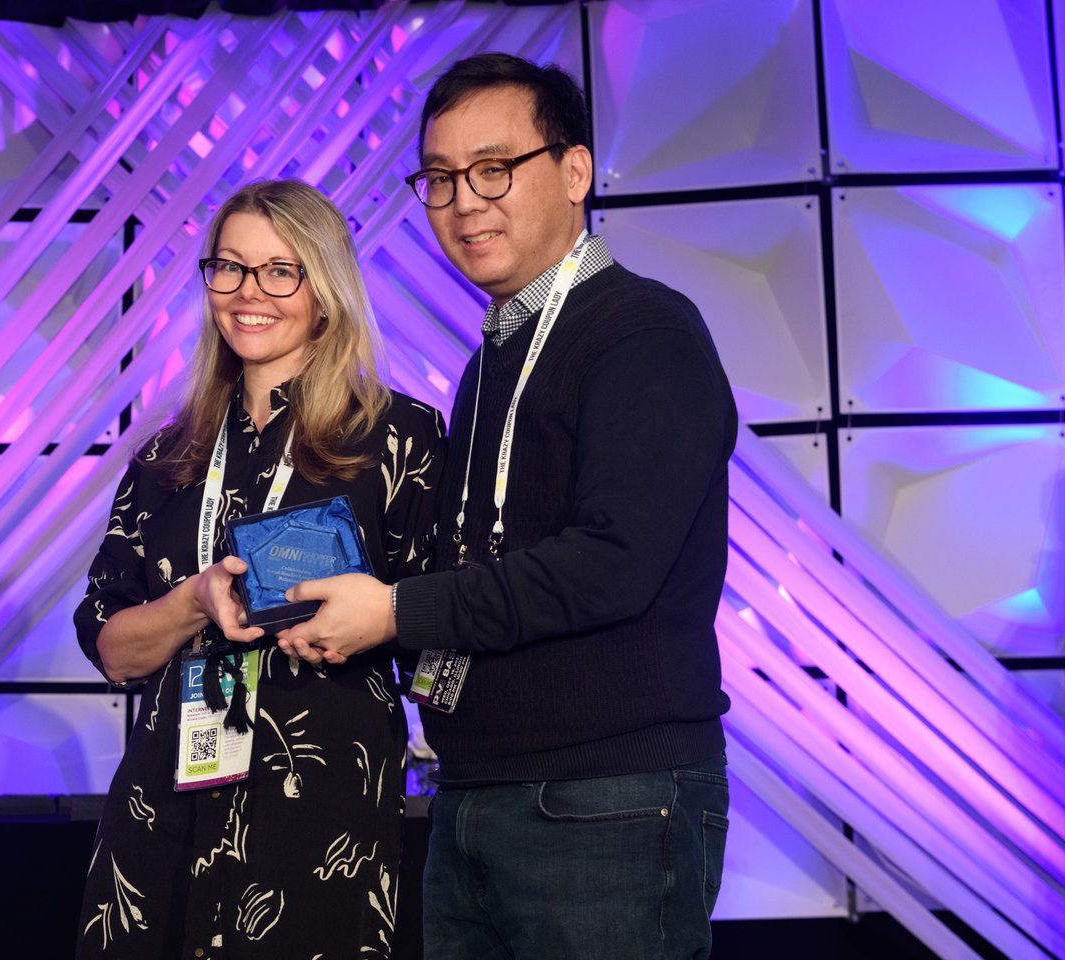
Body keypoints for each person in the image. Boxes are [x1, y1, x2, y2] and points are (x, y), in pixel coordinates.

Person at [276, 54, 736, 959]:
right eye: (441, 179)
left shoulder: (643, 332)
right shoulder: (494, 357)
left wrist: (395, 610)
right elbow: (484, 553)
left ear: (575, 171)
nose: (464, 202)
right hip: (477, 789)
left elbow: (611, 565)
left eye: (494, 169)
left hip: (607, 794)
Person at [71, 178, 445, 958]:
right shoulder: (166, 459)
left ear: (325, 289)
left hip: (324, 810)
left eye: (281, 270)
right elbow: (113, 649)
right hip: (165, 803)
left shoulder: (399, 439)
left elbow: (439, 621)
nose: (249, 293)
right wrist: (197, 602)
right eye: (229, 268)